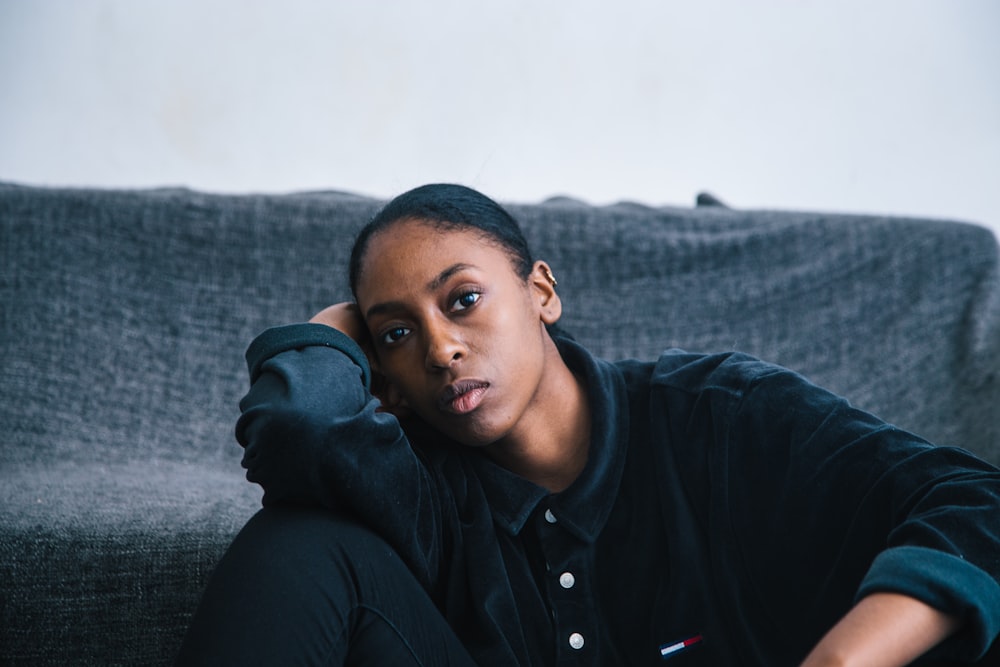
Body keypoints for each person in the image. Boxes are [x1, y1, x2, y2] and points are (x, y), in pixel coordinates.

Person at [177, 184, 1000, 666]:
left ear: (541, 291)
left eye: (462, 299)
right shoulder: (420, 485)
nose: (441, 345)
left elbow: (972, 498)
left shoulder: (716, 416)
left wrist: (840, 661)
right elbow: (298, 429)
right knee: (303, 541)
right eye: (398, 332)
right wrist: (334, 333)